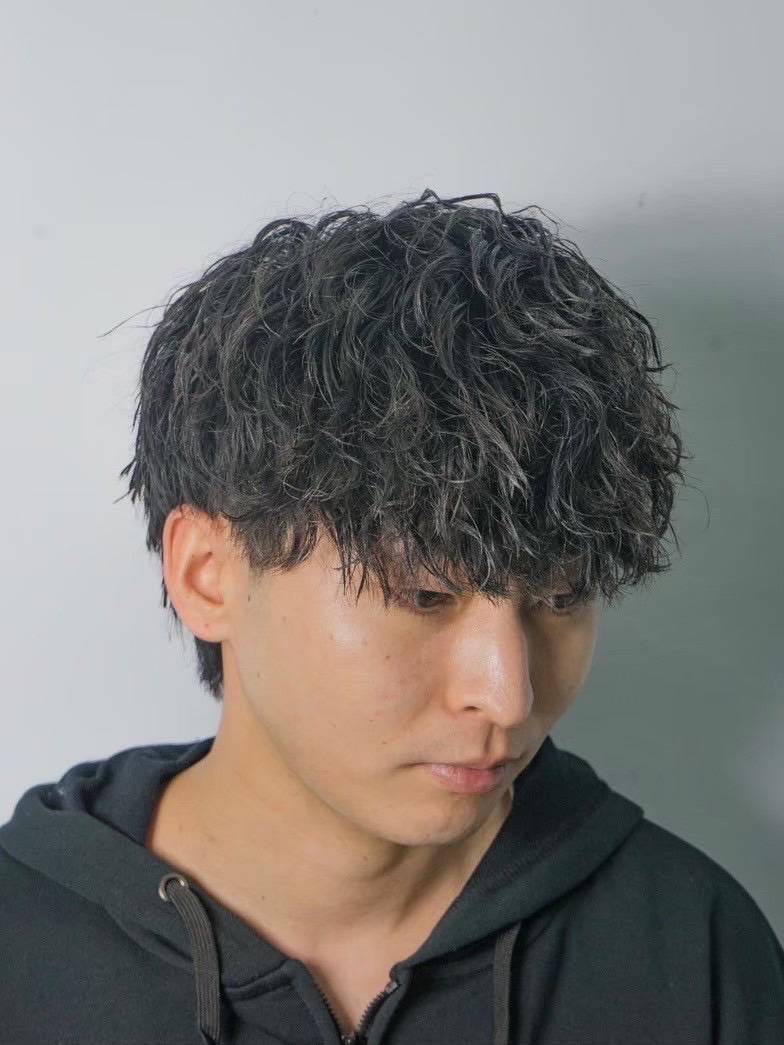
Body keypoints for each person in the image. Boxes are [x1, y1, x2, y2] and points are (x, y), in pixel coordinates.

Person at [1, 189, 782, 1045]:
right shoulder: (20, 945)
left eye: (561, 598)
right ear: (208, 574)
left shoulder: (694, 949)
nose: (509, 695)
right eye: (424, 595)